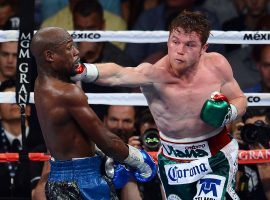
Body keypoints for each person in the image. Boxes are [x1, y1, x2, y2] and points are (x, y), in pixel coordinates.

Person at [72, 10, 247, 199]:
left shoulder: (217, 64)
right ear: (168, 40)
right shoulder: (154, 75)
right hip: (174, 161)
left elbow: (240, 99)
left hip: (216, 153)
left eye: (190, 45)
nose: (180, 50)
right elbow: (118, 74)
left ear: (204, 47)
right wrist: (81, 69)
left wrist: (229, 113)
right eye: (175, 41)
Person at [30, 26, 157, 200]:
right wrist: (139, 160)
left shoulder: (41, 84)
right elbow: (108, 141)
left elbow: (72, 134)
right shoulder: (68, 93)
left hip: (57, 178)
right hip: (85, 181)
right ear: (50, 56)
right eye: (68, 48)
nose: (76, 52)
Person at [0, 79, 45, 199]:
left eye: (18, 98)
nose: (14, 102)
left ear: (29, 109)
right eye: (8, 98)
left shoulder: (44, 142)